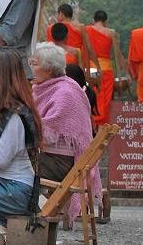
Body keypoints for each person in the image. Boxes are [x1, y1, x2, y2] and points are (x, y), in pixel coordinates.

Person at [29, 43, 101, 227]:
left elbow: (49, 129)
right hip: (58, 157)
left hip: (63, 162)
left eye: (34, 63)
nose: (30, 67)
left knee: (14, 164)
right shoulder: (56, 86)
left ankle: (20, 216)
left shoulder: (65, 92)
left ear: (49, 68)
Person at [0, 49, 42, 221]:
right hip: (7, 187)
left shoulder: (16, 116)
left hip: (15, 192)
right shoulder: (8, 105)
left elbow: (1, 158)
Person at [85, 11, 127, 125]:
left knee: (95, 94)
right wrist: (122, 70)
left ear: (94, 20)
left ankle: (94, 121)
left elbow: (85, 49)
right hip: (107, 69)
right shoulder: (111, 33)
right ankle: (103, 123)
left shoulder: (87, 30)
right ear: (105, 21)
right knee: (106, 97)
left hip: (93, 68)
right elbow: (117, 54)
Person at [46, 3, 99, 77]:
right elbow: (88, 48)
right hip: (76, 64)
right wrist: (98, 66)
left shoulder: (51, 28)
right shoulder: (80, 27)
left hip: (57, 64)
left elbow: (48, 49)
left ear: (61, 14)